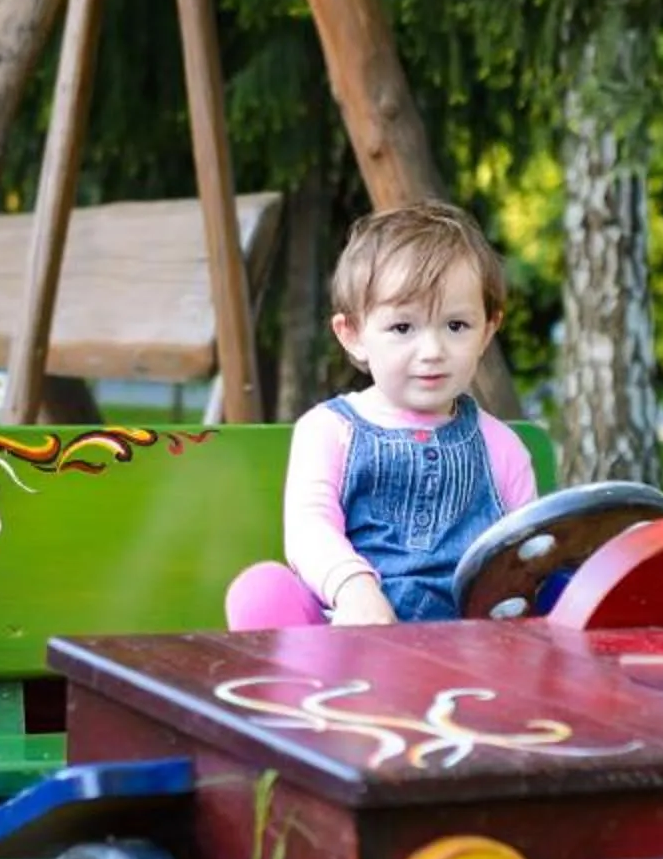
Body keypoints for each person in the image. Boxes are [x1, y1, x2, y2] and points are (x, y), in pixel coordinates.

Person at [225, 202, 537, 629]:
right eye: (403, 328)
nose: (432, 351)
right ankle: (303, 688)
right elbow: (310, 530)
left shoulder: (501, 447)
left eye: (456, 326)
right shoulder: (329, 431)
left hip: (464, 645)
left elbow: (521, 558)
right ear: (352, 336)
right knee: (262, 590)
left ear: (487, 330)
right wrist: (355, 590)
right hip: (351, 632)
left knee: (561, 584)